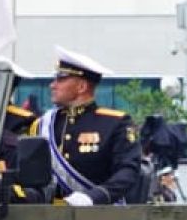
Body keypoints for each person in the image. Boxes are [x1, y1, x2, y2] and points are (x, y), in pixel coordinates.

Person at [24, 47, 142, 206]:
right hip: (48, 217)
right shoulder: (43, 125)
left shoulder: (115, 123)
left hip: (98, 216)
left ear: (81, 87)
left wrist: (94, 197)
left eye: (60, 79)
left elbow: (127, 171)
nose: (53, 85)